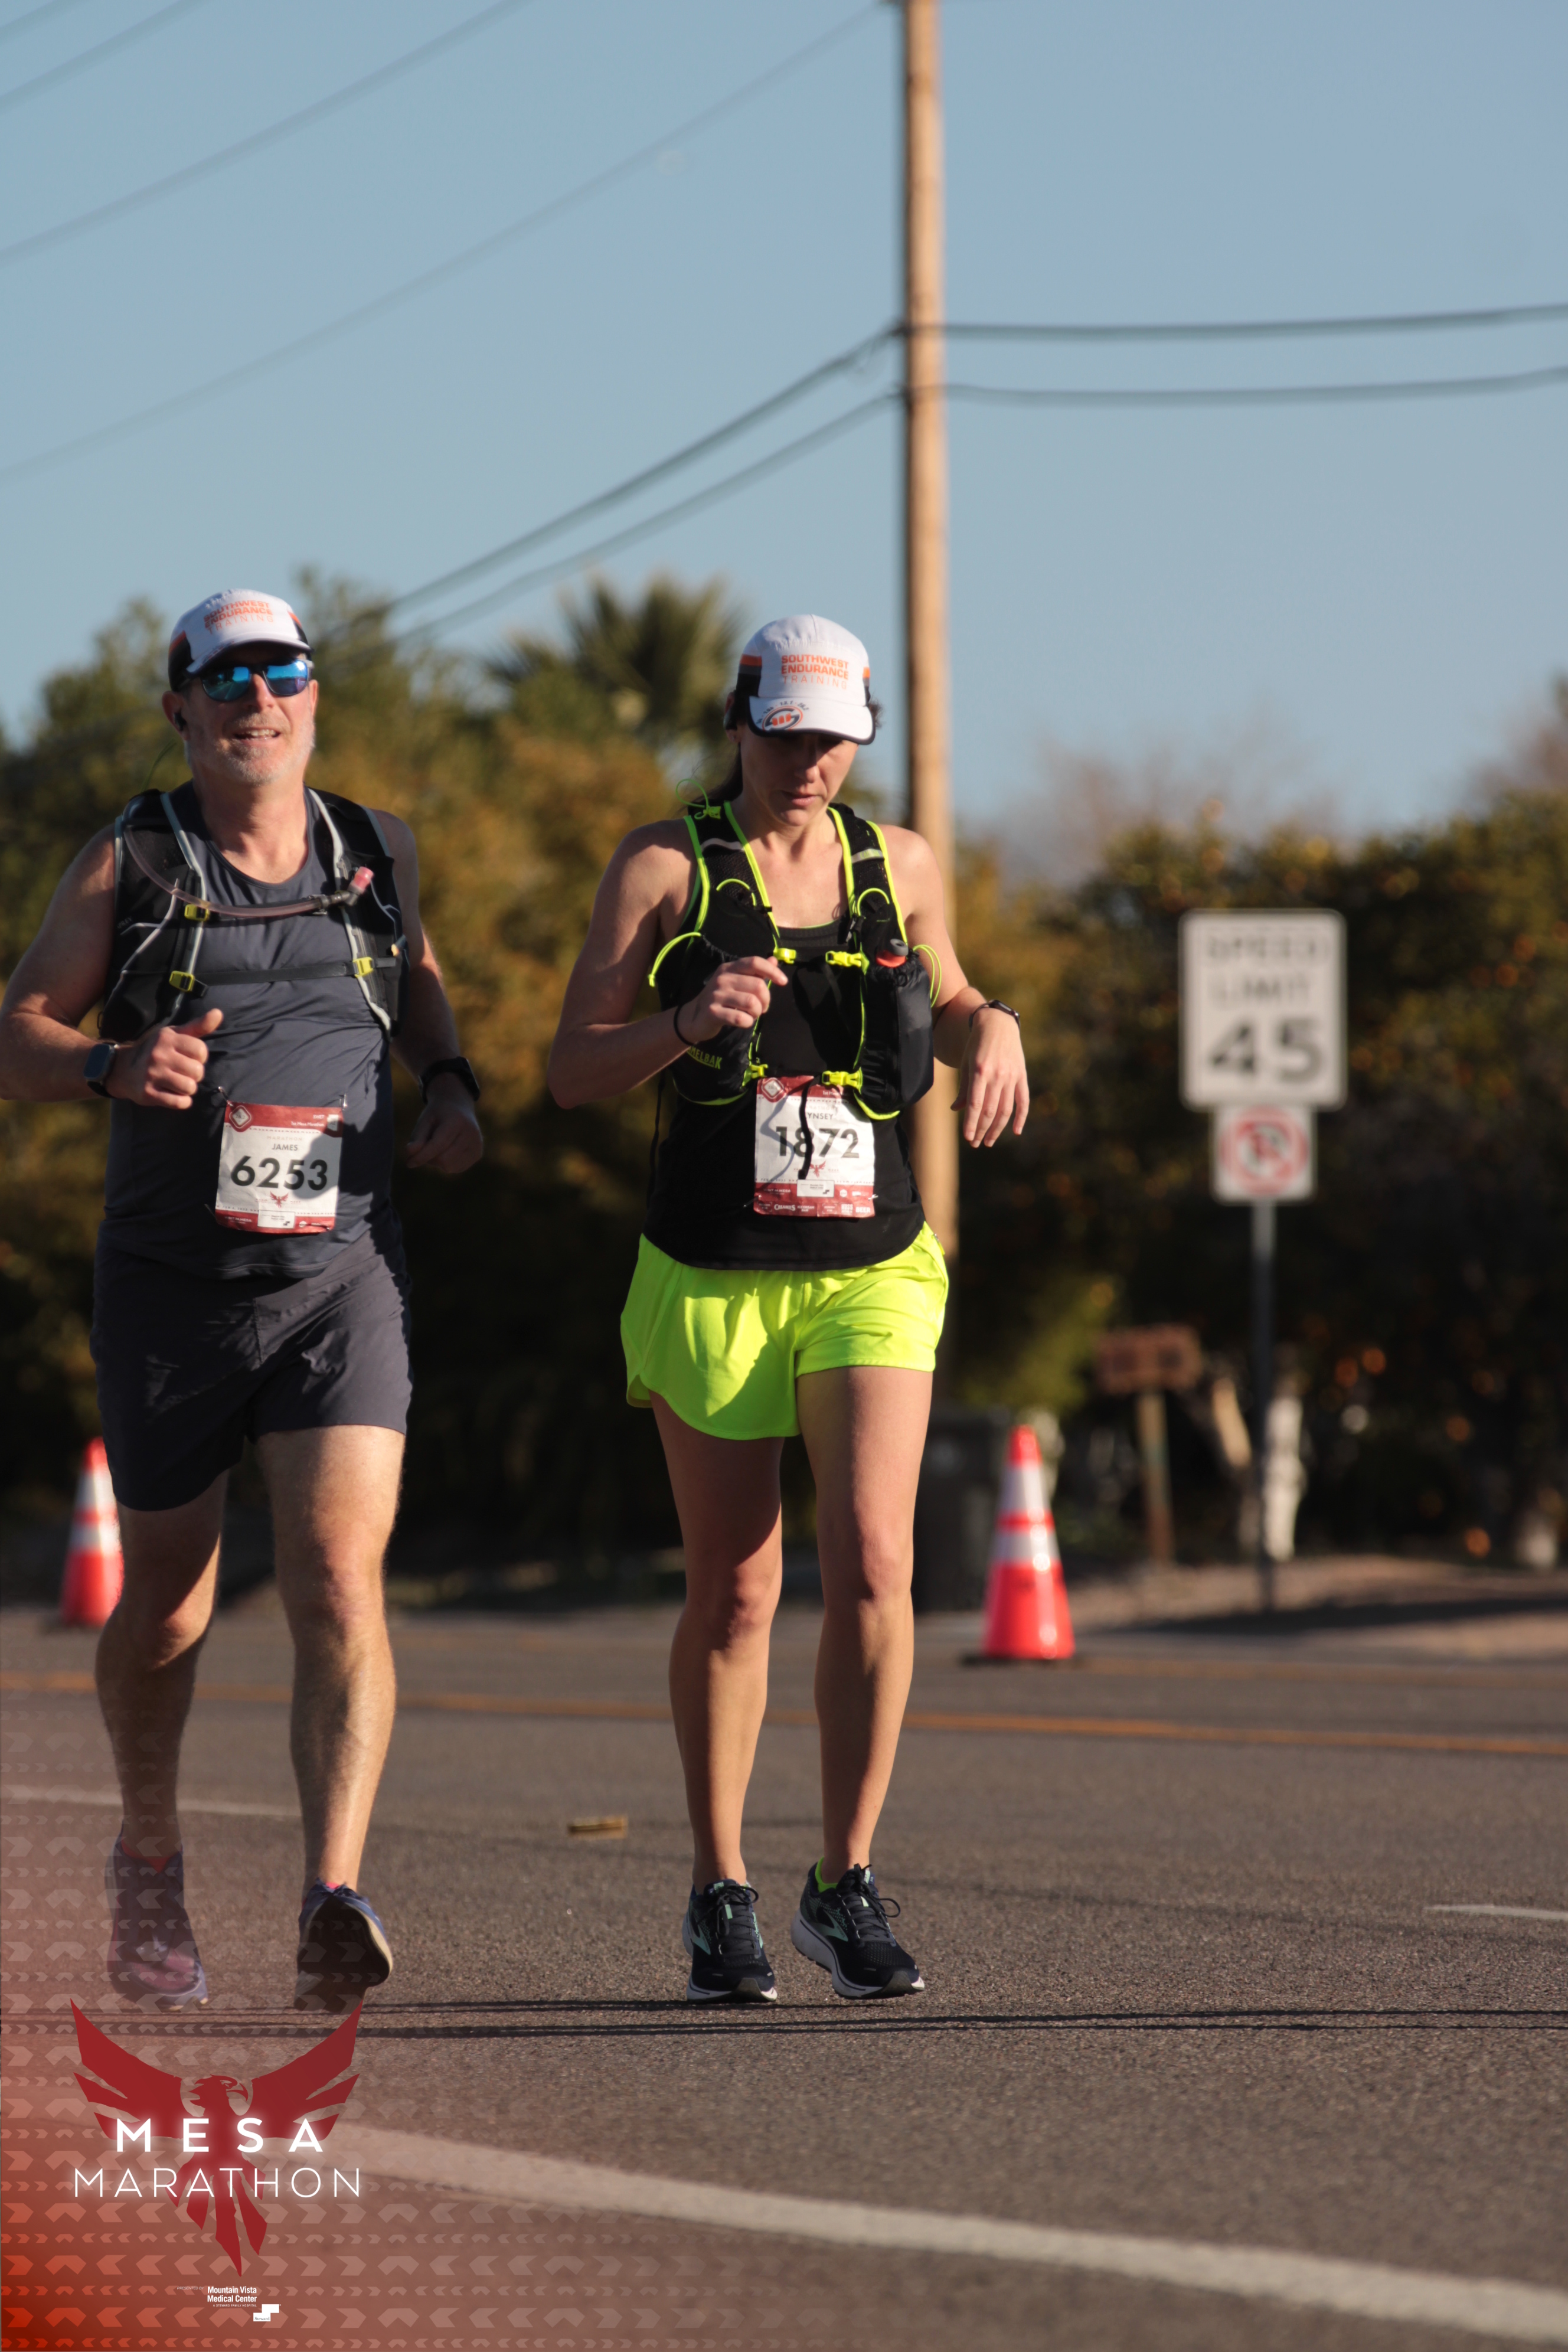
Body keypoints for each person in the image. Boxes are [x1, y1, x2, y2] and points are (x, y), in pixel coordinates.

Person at [0, 589, 484, 2014]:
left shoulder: (376, 849)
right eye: (224, 680)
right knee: (169, 1602)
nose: (255, 700)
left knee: (337, 1576)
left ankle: (334, 1893)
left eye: (280, 673)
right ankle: (148, 1860)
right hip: (174, 1288)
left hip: (343, 1273)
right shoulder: (134, 858)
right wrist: (107, 1065)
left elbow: (419, 978)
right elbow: (17, 1031)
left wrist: (451, 1084)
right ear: (181, 709)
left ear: (314, 694)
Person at [548, 614, 1028, 2001]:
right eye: (787, 732)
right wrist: (684, 1024)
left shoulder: (898, 864)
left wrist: (992, 1025)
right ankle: (720, 1889)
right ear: (738, 720)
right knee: (737, 1588)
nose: (810, 759)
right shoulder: (662, 867)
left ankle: (844, 1877)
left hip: (871, 1259)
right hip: (714, 1269)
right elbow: (571, 1069)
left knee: (875, 1561)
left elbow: (951, 994)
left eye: (834, 737)